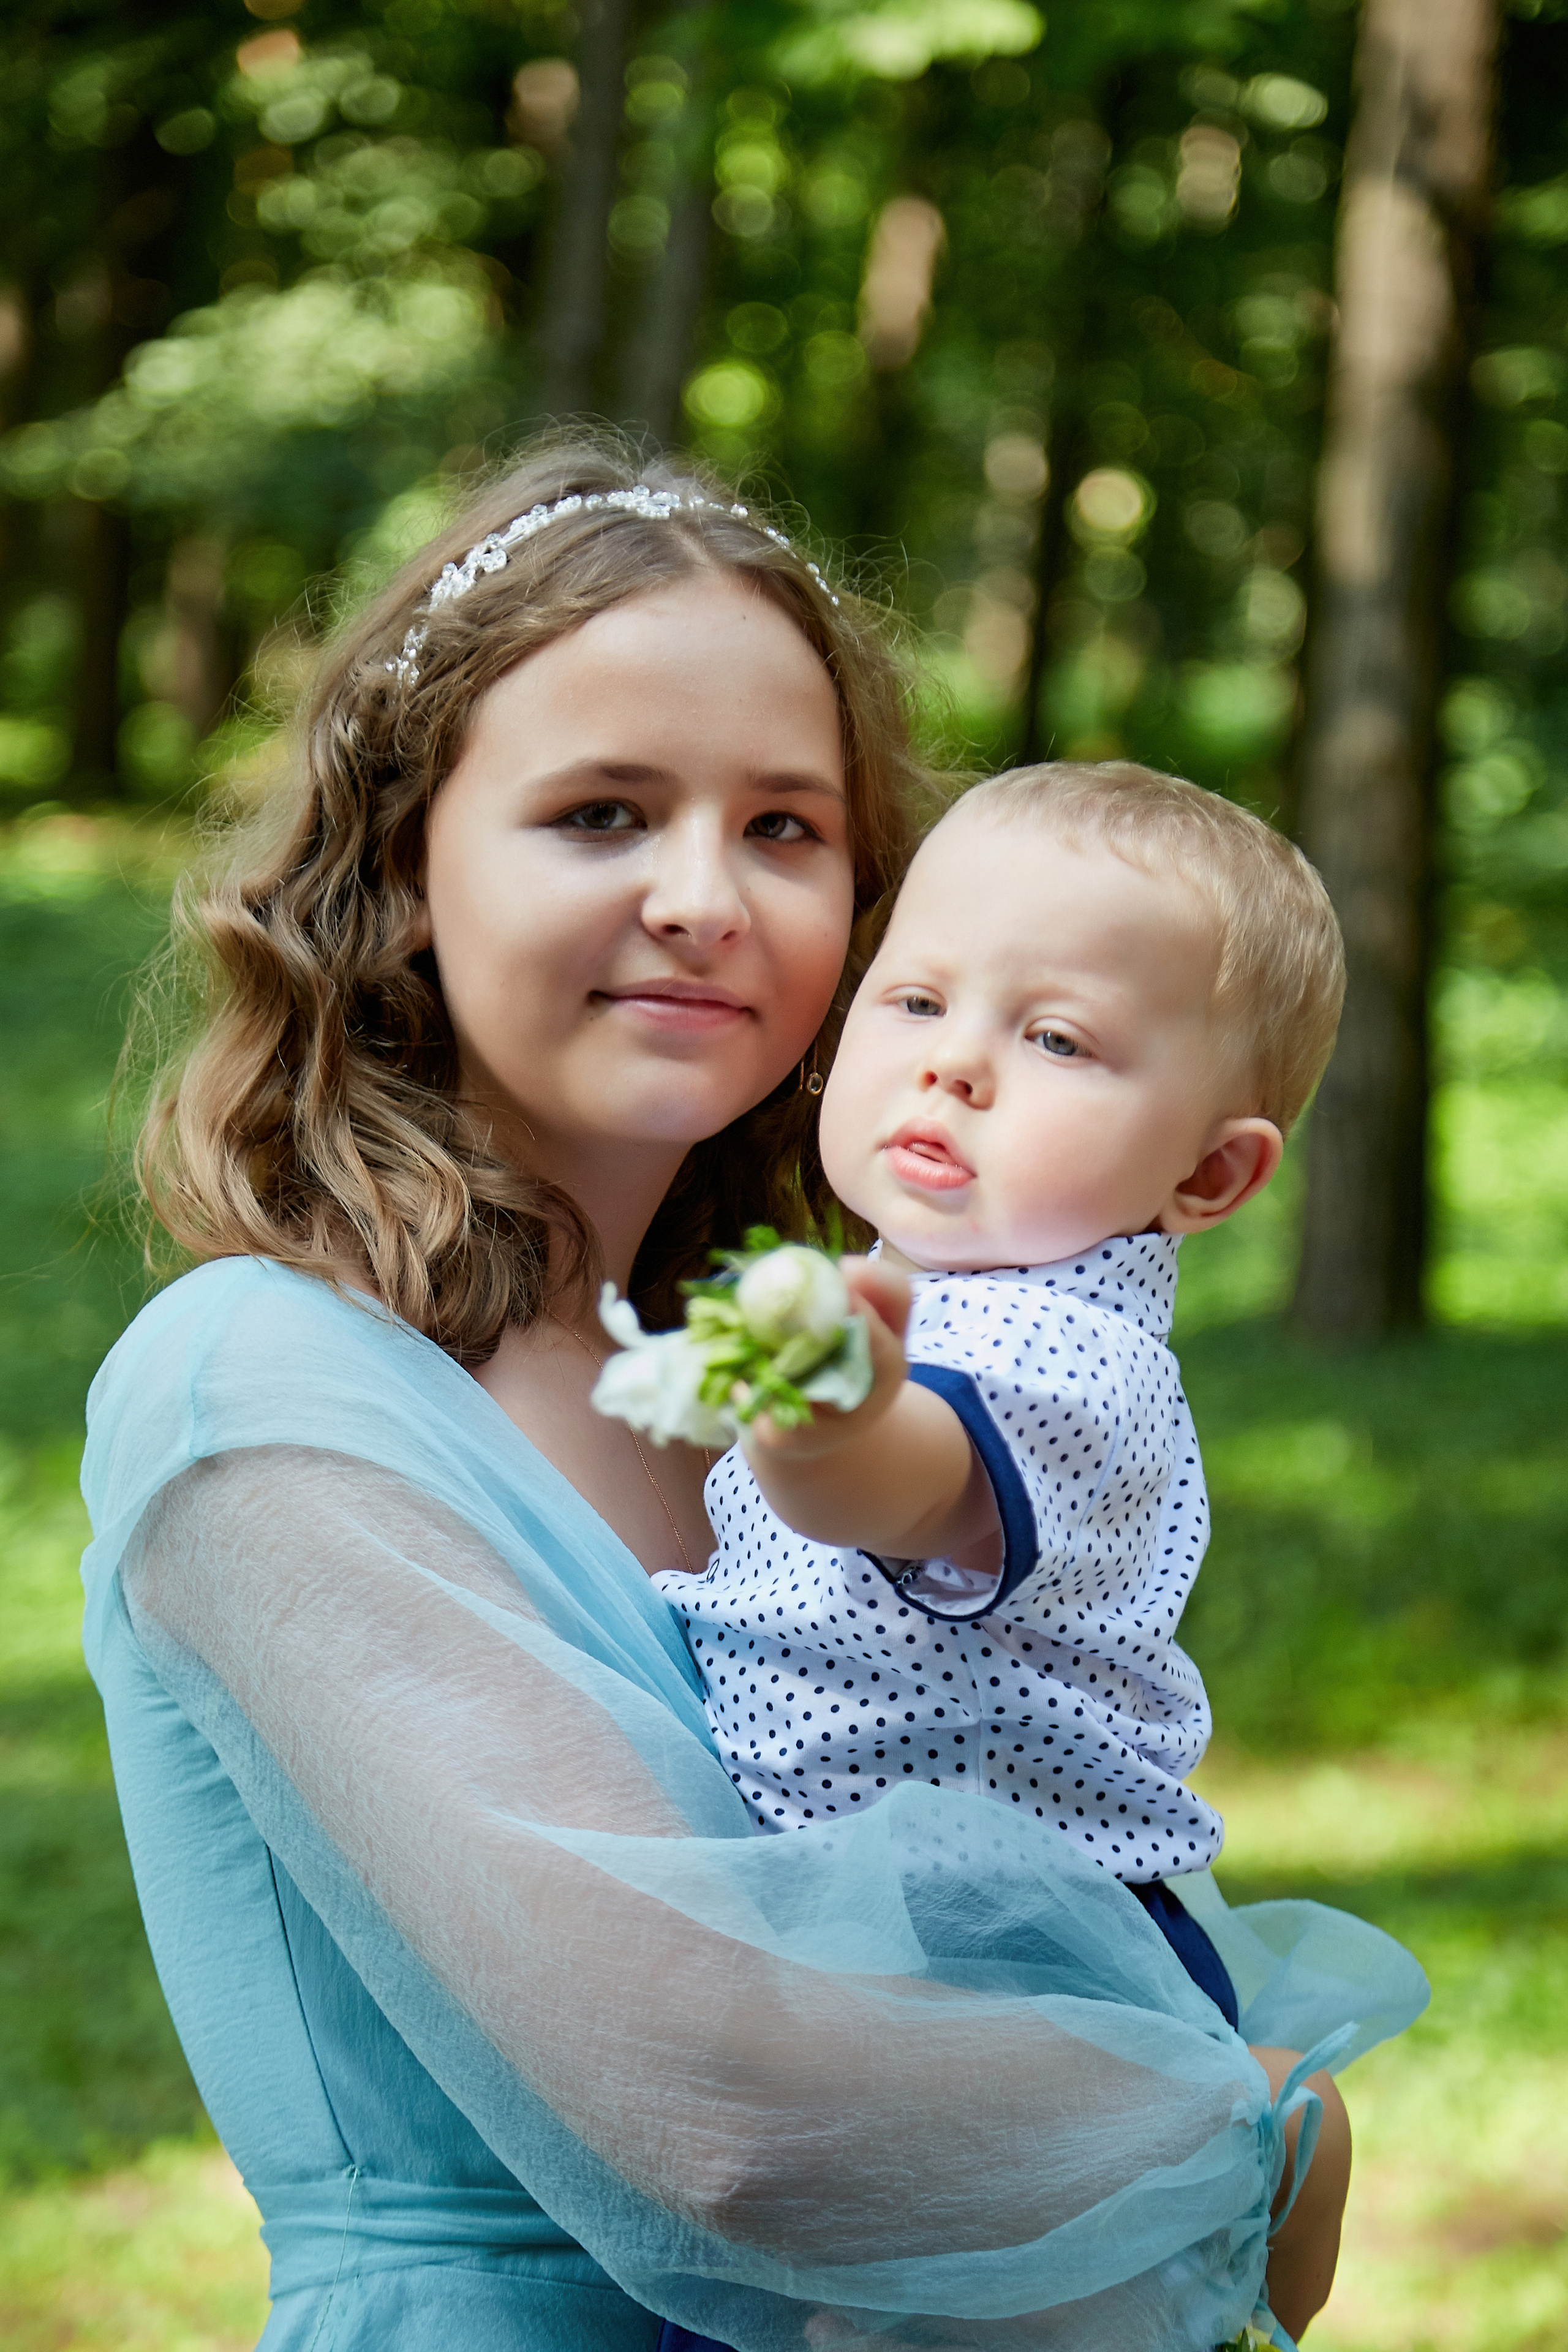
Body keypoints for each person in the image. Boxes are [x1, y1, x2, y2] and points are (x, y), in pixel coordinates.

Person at [83, 441, 1425, 2352]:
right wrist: (1258, 2133)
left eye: (788, 829)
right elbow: (740, 2124)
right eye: (603, 812)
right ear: (405, 868)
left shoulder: (778, 1373)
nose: (705, 897)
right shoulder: (271, 1382)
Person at [649, 762, 1374, 2338]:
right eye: (913, 1001)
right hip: (888, 1890)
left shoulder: (1065, 1363)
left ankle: (1248, 2134)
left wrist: (824, 1411)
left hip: (999, 1947)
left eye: (1053, 1040)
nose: (954, 1069)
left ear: (1207, 1175)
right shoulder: (935, 1284)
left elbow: (900, 1485)